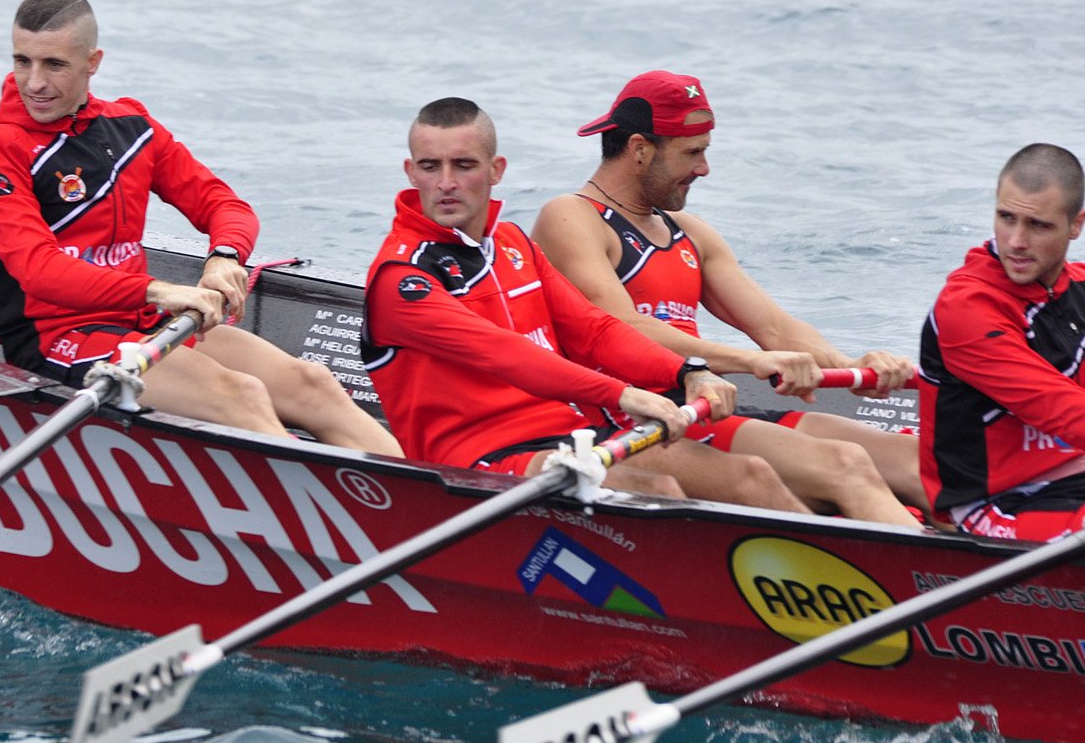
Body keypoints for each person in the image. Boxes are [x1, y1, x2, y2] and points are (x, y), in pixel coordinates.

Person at [0, 0, 400, 457]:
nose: (34, 82)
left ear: (93, 63)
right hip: (57, 337)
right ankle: (337, 499)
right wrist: (159, 291)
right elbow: (38, 271)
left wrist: (224, 257)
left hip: (141, 320)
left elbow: (224, 205)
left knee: (312, 382)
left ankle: (429, 493)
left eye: (54, 64)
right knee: (241, 394)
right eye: (22, 61)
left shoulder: (131, 127)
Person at [531, 71, 923, 528]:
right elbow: (621, 327)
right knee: (844, 465)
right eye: (692, 153)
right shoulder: (571, 217)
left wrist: (849, 367)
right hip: (636, 415)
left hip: (706, 400)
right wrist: (749, 361)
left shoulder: (690, 232)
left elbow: (774, 326)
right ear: (639, 149)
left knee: (910, 458)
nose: (704, 168)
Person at [361, 96, 769, 504]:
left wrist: (686, 371)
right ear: (411, 172)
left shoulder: (513, 243)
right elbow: (508, 355)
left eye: (464, 165)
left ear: (496, 170)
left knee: (750, 476)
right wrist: (623, 394)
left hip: (564, 433)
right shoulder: (402, 279)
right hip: (475, 461)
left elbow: (595, 329)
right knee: (655, 491)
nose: (446, 183)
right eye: (430, 167)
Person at [920, 143, 1085, 540]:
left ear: (1076, 225)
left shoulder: (1078, 285)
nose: (1016, 241)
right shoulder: (967, 307)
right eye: (1006, 218)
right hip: (996, 505)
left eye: (1038, 225)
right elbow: (1063, 411)